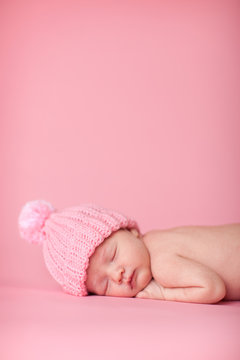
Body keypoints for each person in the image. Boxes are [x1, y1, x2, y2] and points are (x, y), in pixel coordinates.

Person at [18, 200, 240, 303]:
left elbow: (213, 288)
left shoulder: (162, 262)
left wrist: (163, 294)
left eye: (113, 256)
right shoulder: (158, 239)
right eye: (105, 285)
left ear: (130, 230)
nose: (117, 275)